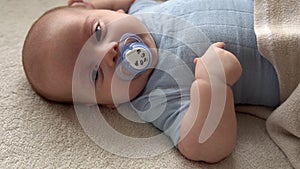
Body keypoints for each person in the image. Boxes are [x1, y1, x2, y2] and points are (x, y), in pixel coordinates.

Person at [22, 0, 280, 163]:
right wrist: (214, 85)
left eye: (97, 31)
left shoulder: (142, 9)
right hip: (287, 56)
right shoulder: (155, 97)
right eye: (94, 75)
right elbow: (204, 147)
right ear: (108, 104)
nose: (108, 53)